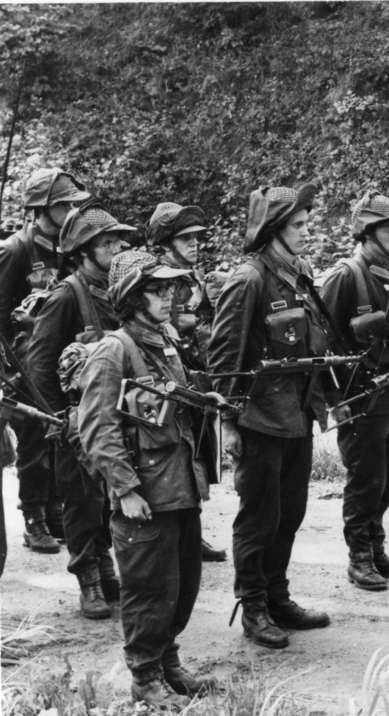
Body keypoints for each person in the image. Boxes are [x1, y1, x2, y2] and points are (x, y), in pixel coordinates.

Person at [77, 251, 220, 707]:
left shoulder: (164, 343)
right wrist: (126, 489)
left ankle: (167, 663)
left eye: (170, 288)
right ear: (133, 298)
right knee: (147, 590)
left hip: (180, 487)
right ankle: (145, 677)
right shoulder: (114, 350)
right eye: (157, 290)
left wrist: (204, 399)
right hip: (145, 495)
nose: (168, 297)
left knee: (182, 586)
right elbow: (98, 428)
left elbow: (167, 402)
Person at [208, 184, 336, 649]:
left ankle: (278, 598)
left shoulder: (300, 274)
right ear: (273, 229)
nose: (306, 232)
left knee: (290, 514)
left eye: (305, 224)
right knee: (259, 518)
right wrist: (227, 423)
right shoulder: (249, 279)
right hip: (259, 419)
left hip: (297, 416)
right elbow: (225, 358)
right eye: (297, 225)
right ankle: (254, 607)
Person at [28, 201, 129, 619]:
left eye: (119, 241)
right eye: (108, 243)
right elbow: (39, 364)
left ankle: (105, 571)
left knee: (107, 502)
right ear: (84, 251)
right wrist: (60, 419)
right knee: (82, 502)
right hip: (76, 418)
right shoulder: (67, 295)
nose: (118, 249)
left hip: (114, 416)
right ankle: (88, 579)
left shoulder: (118, 290)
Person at [320, 192, 389, 591]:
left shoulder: (385, 274)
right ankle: (358, 557)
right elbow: (322, 341)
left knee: (387, 478)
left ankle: (375, 549)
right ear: (367, 232)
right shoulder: (345, 276)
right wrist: (334, 400)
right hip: (359, 398)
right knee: (365, 479)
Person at [0, 169, 91, 555]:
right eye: (63, 204)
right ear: (41, 208)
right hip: (21, 364)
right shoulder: (16, 250)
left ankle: (55, 512)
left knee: (59, 434)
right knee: (34, 442)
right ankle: (33, 516)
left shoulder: (67, 248)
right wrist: (9, 367)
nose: (71, 209)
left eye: (73, 203)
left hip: (58, 360)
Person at [147, 201, 227, 563]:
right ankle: (171, 537)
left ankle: (191, 534)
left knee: (198, 459)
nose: (195, 244)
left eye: (197, 238)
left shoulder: (193, 277)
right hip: (169, 381)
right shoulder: (157, 281)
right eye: (186, 239)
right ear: (166, 244)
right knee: (173, 461)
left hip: (196, 377)